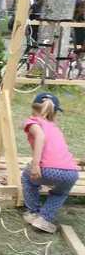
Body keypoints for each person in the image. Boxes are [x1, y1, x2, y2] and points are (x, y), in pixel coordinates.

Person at [21, 93, 79, 233]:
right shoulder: (54, 127)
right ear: (55, 113)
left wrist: (35, 165)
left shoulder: (33, 122)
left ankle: (34, 213)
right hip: (71, 172)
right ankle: (44, 218)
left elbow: (40, 137)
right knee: (60, 192)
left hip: (48, 169)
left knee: (27, 178)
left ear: (33, 107)